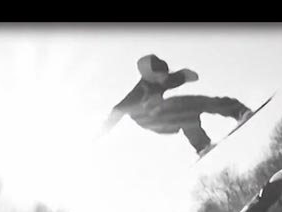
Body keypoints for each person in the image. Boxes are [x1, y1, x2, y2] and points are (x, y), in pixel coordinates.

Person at [102, 54, 253, 156]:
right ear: (150, 76)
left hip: (167, 116)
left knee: (192, 105)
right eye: (160, 76)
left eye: (165, 74)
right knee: (182, 103)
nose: (164, 78)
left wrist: (182, 75)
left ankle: (204, 143)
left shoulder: (167, 80)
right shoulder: (139, 91)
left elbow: (193, 77)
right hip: (153, 121)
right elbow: (118, 110)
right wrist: (104, 130)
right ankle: (203, 141)